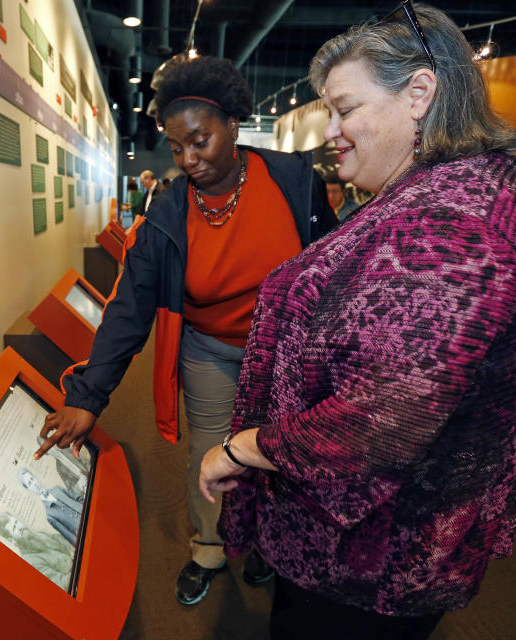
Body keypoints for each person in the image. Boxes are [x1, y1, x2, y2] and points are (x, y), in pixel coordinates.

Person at [200, 3, 516, 638]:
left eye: (345, 108)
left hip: (369, 557)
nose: (331, 131)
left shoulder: (456, 227)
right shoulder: (448, 192)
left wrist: (244, 448)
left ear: (419, 94)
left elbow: (385, 421)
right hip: (371, 537)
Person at [34, 55, 337, 605]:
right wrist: (88, 398)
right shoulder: (168, 213)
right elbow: (129, 309)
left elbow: (337, 265)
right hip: (209, 348)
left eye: (200, 141)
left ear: (233, 126)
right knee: (212, 451)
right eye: (176, 147)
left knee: (281, 450)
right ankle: (209, 548)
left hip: (287, 354)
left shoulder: (293, 182)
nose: (188, 159)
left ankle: (269, 545)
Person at [0, 512, 74, 590]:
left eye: (16, 522)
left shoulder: (38, 535)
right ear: (12, 540)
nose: (20, 527)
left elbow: (60, 539)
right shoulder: (30, 563)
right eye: (14, 528)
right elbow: (63, 585)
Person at [18, 467, 83, 546]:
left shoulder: (57, 489)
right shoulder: (50, 516)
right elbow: (71, 538)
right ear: (29, 489)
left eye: (32, 479)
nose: (34, 484)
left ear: (35, 478)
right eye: (30, 483)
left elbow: (78, 498)